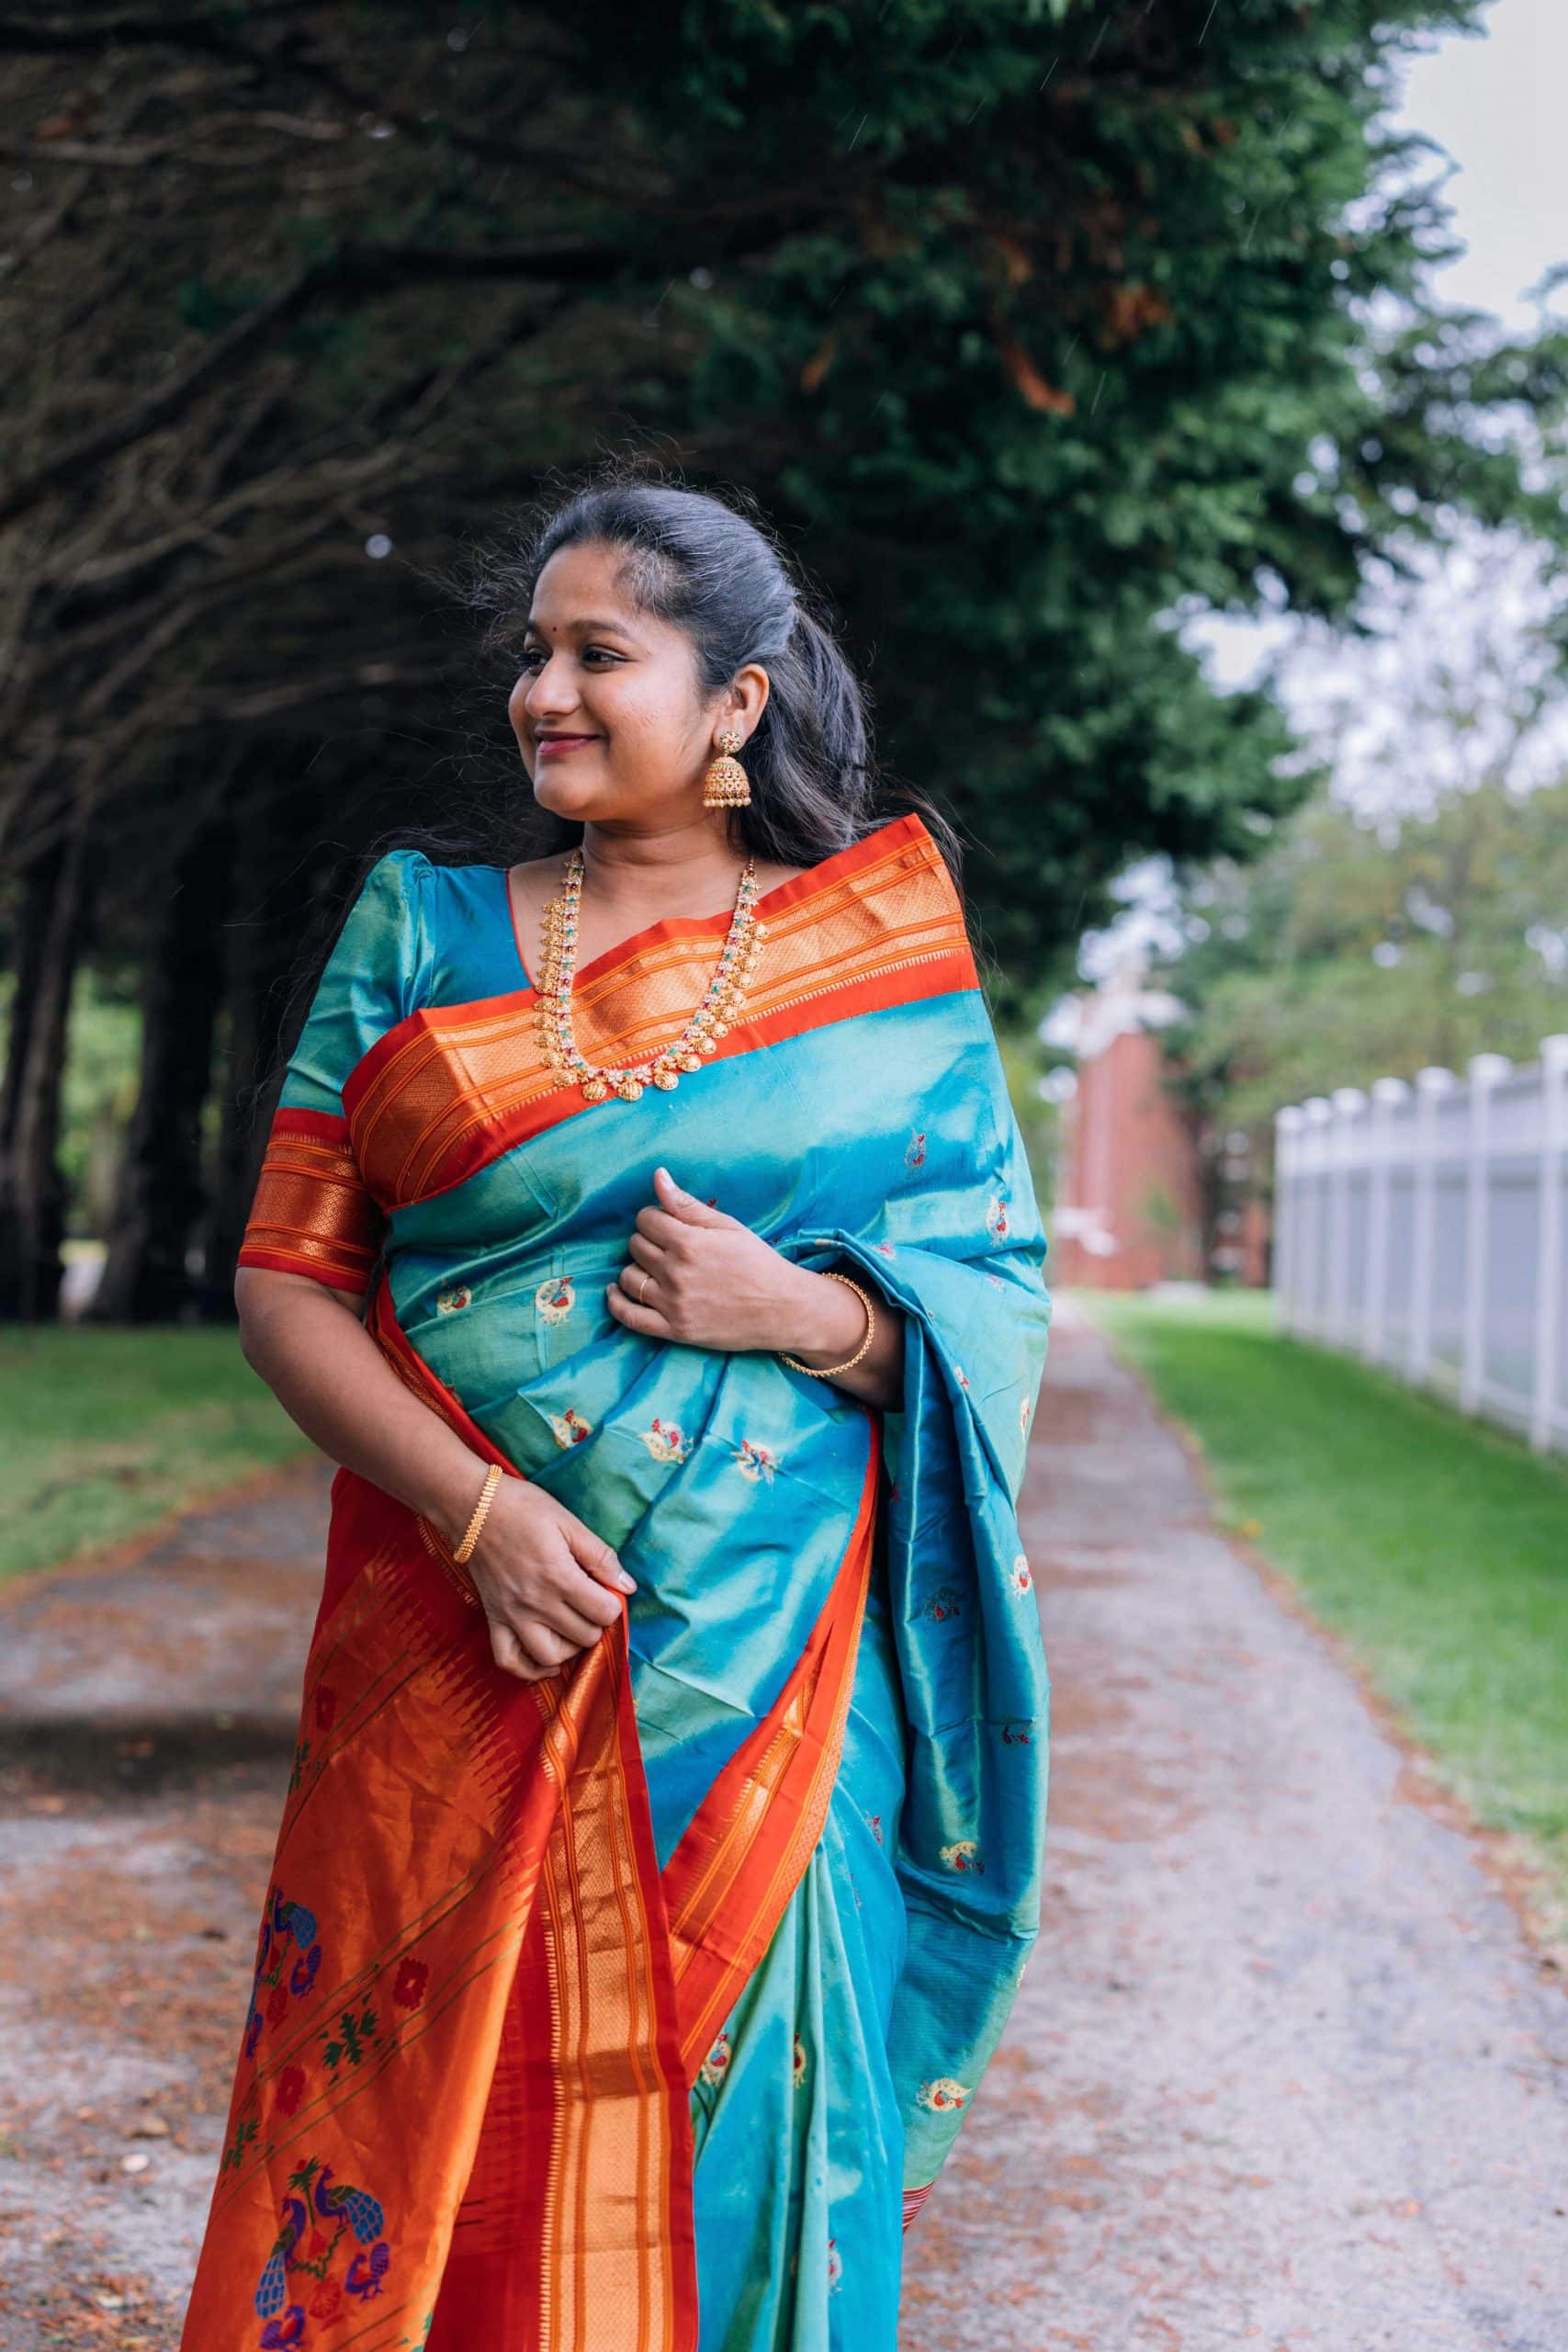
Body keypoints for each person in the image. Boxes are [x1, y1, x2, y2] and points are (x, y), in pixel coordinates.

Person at [178, 466, 1052, 2352]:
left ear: (734, 701)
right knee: (438, 2122)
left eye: (601, 652)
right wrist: (476, 1519)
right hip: (461, 1634)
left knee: (752, 2133)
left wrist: (805, 1312)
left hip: (771, 1667)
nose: (545, 691)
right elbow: (284, 1282)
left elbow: (990, 1305)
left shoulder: (875, 961)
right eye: (532, 653)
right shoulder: (418, 924)